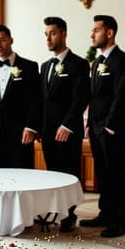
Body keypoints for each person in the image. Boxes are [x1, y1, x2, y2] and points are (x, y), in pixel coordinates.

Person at [79, 15, 125, 237]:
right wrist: (90, 125)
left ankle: (119, 221)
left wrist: (109, 126)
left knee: (116, 174)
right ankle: (105, 214)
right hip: (96, 129)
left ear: (109, 33)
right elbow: (93, 97)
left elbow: (122, 95)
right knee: (103, 173)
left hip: (112, 128)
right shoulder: (98, 62)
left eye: (96, 30)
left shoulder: (124, 61)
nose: (92, 34)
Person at [40, 17, 91, 232]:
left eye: (52, 33)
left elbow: (81, 97)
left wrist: (68, 125)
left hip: (68, 131)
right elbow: (42, 101)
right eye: (46, 34)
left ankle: (69, 215)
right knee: (52, 172)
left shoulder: (78, 64)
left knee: (69, 173)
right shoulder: (45, 66)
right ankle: (56, 211)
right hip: (48, 131)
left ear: (63, 34)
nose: (48, 38)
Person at [0, 25, 40, 168]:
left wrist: (30, 127)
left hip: (20, 134)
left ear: (11, 40)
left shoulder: (29, 66)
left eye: (2, 40)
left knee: (22, 177)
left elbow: (35, 100)